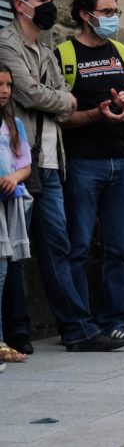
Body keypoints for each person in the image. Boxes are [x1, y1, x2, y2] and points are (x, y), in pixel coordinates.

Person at [0, 0, 124, 352]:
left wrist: (61, 99)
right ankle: (18, 331)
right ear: (20, 5)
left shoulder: (45, 48)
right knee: (13, 249)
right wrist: (61, 99)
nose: (50, 6)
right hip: (20, 161)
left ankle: (76, 328)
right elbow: (31, 94)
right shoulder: (6, 45)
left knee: (57, 245)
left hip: (51, 161)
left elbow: (64, 95)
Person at [58, 0, 124, 344]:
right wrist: (96, 113)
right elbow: (61, 118)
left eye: (115, 12)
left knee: (118, 249)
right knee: (77, 247)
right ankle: (82, 324)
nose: (113, 18)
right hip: (83, 162)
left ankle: (113, 319)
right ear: (85, 14)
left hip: (122, 162)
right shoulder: (64, 55)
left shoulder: (121, 52)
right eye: (106, 12)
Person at [0, 64, 32, 365]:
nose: (5, 91)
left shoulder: (13, 124)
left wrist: (14, 178)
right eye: (0, 84)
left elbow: (25, 165)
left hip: (8, 203)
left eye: (8, 85)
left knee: (6, 269)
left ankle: (5, 337)